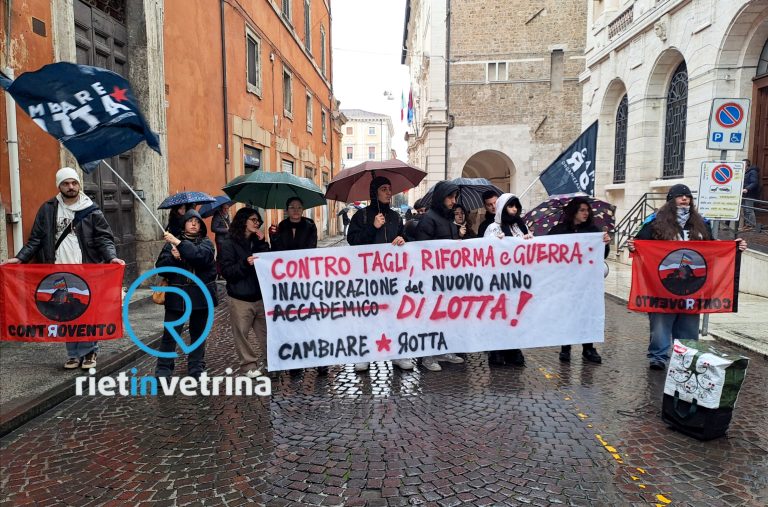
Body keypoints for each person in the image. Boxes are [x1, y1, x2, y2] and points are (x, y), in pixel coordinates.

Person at [2, 167, 125, 370]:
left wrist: (111, 258)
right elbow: (36, 239)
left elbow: (104, 238)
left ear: (79, 185)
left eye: (74, 183)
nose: (71, 187)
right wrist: (20, 258)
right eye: (66, 183)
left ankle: (89, 352)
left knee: (86, 311)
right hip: (59, 269)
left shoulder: (91, 210)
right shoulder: (48, 208)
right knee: (66, 311)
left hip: (87, 269)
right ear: (59, 186)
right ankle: (73, 354)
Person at [627, 184, 748, 370]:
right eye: (679, 196)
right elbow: (640, 243)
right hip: (661, 288)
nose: (684, 199)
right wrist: (633, 246)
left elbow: (713, 248)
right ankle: (658, 357)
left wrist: (734, 247)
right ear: (670, 200)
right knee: (660, 323)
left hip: (693, 288)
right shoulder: (654, 222)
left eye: (687, 196)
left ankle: (687, 355)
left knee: (689, 326)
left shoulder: (701, 224)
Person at [346, 176, 412, 372]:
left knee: (394, 315)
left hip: (392, 277)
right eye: (383, 189)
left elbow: (402, 237)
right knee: (368, 316)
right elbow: (353, 241)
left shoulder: (395, 216)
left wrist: (402, 238)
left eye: (389, 189)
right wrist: (372, 227)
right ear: (375, 192)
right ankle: (364, 354)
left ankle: (397, 354)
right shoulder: (362, 216)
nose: (388, 192)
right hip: (368, 277)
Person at [547, 196, 611, 364]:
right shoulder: (559, 230)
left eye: (587, 210)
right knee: (566, 313)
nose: (585, 213)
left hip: (586, 282)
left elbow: (601, 255)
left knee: (586, 313)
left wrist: (605, 243)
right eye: (581, 210)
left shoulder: (593, 230)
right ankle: (565, 348)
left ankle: (588, 348)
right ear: (573, 212)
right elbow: (546, 250)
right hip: (565, 282)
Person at [155, 210, 218, 378]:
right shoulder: (171, 245)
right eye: (189, 221)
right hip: (177, 297)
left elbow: (200, 257)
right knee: (169, 335)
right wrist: (173, 258)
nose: (193, 224)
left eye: (196, 221)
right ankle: (163, 370)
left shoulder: (206, 243)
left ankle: (196, 368)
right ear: (184, 224)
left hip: (201, 297)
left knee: (198, 335)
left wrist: (179, 244)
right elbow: (160, 267)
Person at [415, 180, 465, 371]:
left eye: (455, 198)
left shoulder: (449, 218)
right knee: (430, 318)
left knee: (446, 317)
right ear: (440, 197)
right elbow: (423, 250)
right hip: (431, 280)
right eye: (450, 197)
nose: (453, 201)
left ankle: (445, 350)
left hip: (448, 280)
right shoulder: (429, 219)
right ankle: (428, 356)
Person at [219, 208, 271, 378]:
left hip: (260, 296)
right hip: (240, 297)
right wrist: (245, 263)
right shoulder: (228, 243)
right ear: (243, 221)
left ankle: (272, 363)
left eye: (258, 221)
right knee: (242, 334)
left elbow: (268, 263)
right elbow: (227, 272)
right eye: (254, 220)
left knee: (267, 334)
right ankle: (249, 366)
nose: (257, 223)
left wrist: (263, 243)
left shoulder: (257, 241)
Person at [484, 193, 532, 366]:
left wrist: (528, 240)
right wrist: (496, 243)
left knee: (514, 314)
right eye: (510, 206)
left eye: (516, 206)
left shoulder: (521, 226)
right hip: (499, 281)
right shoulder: (493, 228)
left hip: (518, 280)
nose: (514, 210)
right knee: (498, 314)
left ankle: (513, 348)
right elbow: (484, 252)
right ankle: (496, 350)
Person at [211, 203, 231, 277]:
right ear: (221, 209)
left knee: (225, 256)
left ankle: (223, 271)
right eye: (224, 208)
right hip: (220, 240)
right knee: (220, 256)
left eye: (227, 208)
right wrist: (226, 230)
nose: (226, 210)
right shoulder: (217, 217)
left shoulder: (227, 216)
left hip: (227, 239)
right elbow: (213, 228)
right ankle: (219, 273)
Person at [742, 159, 760, 230]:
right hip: (744, 193)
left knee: (749, 209)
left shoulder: (752, 172)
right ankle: (747, 224)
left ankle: (752, 225)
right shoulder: (745, 172)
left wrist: (747, 188)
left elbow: (754, 182)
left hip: (750, 193)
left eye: (743, 164)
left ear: (747, 164)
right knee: (745, 210)